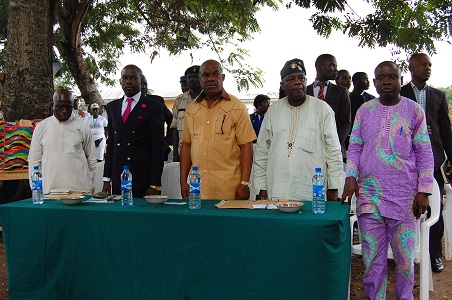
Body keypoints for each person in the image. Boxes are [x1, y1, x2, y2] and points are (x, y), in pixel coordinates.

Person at [341, 61, 434, 300]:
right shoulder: (364, 110)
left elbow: (424, 152)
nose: (386, 81)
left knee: (404, 262)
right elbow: (355, 147)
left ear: (400, 80)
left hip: (404, 198)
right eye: (381, 78)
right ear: (374, 83)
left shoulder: (414, 111)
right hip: (368, 196)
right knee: (373, 261)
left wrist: (423, 191)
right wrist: (350, 176)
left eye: (392, 76)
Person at [253, 58, 343, 201]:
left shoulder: (322, 109)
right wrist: (260, 187)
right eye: (291, 79)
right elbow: (262, 151)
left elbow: (333, 151)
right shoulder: (273, 111)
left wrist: (334, 187)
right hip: (277, 187)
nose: (297, 82)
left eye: (301, 78)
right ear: (282, 85)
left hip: (310, 190)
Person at [400, 53, 452, 273]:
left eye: (429, 64)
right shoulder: (399, 93)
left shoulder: (438, 96)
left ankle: (434, 256)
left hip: (433, 162)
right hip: (404, 160)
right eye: (422, 64)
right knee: (404, 208)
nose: (427, 68)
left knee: (434, 210)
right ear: (411, 68)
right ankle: (402, 254)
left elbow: (446, 131)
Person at [179, 59, 256, 200]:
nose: (211, 79)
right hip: (198, 189)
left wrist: (244, 183)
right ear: (200, 79)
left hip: (229, 189)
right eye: (205, 75)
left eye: (215, 74)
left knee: (229, 223)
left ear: (223, 77)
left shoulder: (237, 107)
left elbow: (246, 146)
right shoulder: (191, 109)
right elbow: (187, 146)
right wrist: (183, 181)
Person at [102, 64, 164, 198]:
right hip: (119, 175)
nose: (129, 81)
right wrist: (107, 178)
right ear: (120, 82)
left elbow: (158, 147)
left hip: (142, 176)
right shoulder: (112, 107)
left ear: (141, 81)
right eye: (125, 78)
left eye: (133, 78)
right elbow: (111, 144)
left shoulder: (153, 107)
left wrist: (154, 184)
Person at [28, 89, 97, 194]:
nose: (64, 111)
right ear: (52, 105)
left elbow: (92, 159)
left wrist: (88, 183)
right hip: (49, 192)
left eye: (68, 107)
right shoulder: (41, 128)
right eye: (60, 107)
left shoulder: (82, 128)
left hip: (79, 191)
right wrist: (36, 188)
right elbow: (34, 160)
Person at [306, 54, 351, 161]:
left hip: (334, 151)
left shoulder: (341, 92)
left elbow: (346, 123)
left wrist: (334, 144)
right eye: (332, 66)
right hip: (308, 150)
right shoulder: (305, 92)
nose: (336, 70)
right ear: (321, 67)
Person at [171, 65, 202, 162]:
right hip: (184, 151)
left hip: (204, 151)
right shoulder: (180, 100)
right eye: (189, 77)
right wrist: (175, 154)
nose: (192, 80)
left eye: (195, 76)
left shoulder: (210, 99)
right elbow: (175, 128)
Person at [141, 75, 173, 161]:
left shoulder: (157, 101)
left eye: (145, 84)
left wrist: (167, 141)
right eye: (140, 84)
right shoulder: (124, 104)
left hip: (158, 150)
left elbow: (172, 120)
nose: (143, 87)